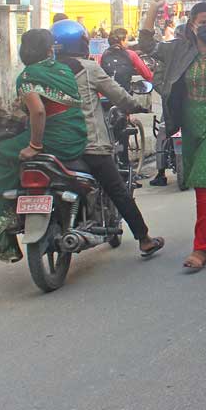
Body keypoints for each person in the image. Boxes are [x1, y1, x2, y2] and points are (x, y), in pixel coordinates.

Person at [51, 21, 165, 258]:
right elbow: (118, 94)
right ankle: (143, 239)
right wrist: (136, 106)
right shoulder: (88, 68)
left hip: (50, 146)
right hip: (89, 144)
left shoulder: (45, 70)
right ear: (82, 43)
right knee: (117, 188)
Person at [0, 29, 88, 263]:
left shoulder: (28, 76)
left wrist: (35, 145)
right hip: (76, 137)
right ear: (50, 50)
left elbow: (38, 111)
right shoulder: (64, 70)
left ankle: (4, 222)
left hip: (51, 139)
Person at [147, 1, 206, 270]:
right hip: (188, 125)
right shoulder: (178, 49)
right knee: (202, 186)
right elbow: (147, 46)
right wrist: (153, 11)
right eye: (204, 21)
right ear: (192, 25)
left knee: (203, 184)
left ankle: (199, 249)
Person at [100, 27, 154, 91]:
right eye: (126, 40)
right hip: (125, 95)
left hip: (107, 94)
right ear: (122, 41)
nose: (127, 42)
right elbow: (147, 75)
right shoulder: (131, 54)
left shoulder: (104, 54)